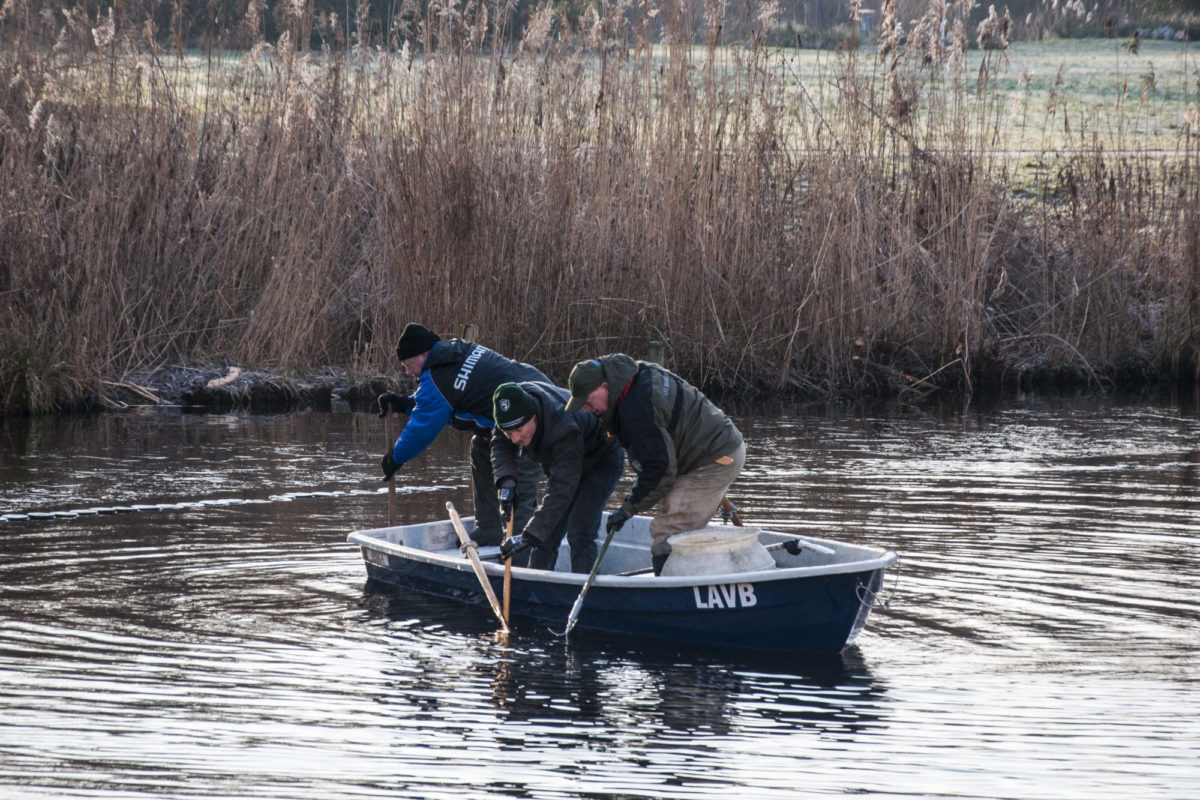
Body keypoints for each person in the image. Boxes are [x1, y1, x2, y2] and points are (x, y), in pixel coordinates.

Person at [563, 354, 745, 576]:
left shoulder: (638, 408)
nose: (586, 409)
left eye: (588, 401)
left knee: (667, 533)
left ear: (604, 386)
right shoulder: (634, 374)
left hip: (714, 459)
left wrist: (628, 509)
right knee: (670, 511)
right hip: (702, 451)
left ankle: (669, 594)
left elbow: (661, 471)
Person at [377, 323, 545, 545]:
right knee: (481, 446)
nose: (407, 371)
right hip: (534, 396)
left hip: (530, 422)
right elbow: (446, 398)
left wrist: (395, 458)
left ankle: (521, 551)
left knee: (518, 489)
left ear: (424, 354)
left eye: (408, 364)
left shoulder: (438, 378)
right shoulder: (456, 350)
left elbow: (422, 429)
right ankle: (489, 528)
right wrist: (404, 403)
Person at [491, 381, 624, 572]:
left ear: (534, 416)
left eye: (519, 431)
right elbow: (500, 444)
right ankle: (538, 590)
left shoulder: (562, 426)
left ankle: (585, 592)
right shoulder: (509, 407)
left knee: (580, 531)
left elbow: (562, 488)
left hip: (602, 458)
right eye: (508, 432)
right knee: (545, 536)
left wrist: (527, 536)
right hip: (566, 462)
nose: (515, 440)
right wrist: (506, 483)